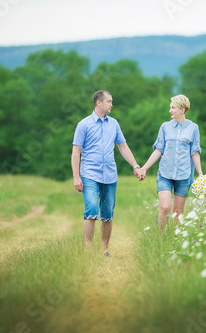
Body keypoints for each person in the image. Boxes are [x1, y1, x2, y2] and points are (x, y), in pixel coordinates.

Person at [71, 90, 143, 257]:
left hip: (110, 175)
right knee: (91, 210)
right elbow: (76, 152)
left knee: (107, 214)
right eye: (109, 101)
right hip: (89, 174)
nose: (111, 104)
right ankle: (88, 251)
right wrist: (76, 176)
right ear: (99, 102)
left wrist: (135, 166)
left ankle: (104, 250)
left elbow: (123, 147)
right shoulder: (84, 125)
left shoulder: (114, 124)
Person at [137, 94, 202, 232]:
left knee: (178, 211)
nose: (170, 110)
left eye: (173, 107)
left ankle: (175, 240)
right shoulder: (165, 127)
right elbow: (158, 150)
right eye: (170, 107)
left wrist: (200, 173)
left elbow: (194, 152)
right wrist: (144, 168)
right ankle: (162, 238)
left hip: (184, 175)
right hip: (165, 174)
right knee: (165, 207)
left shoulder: (193, 128)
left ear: (183, 110)